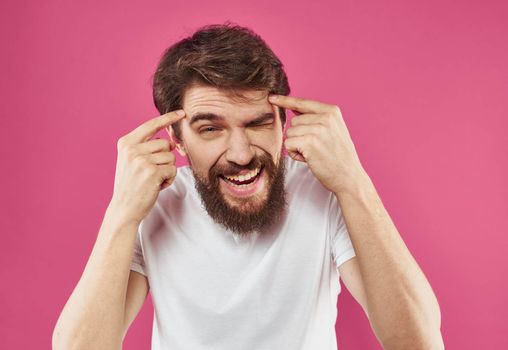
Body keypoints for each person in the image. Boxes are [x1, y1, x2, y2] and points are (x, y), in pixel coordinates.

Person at [52, 23, 444, 350]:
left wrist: (354, 181)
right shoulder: (156, 204)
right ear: (176, 137)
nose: (240, 154)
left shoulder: (325, 193)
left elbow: (418, 341)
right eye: (210, 129)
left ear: (283, 121)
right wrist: (121, 212)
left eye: (258, 123)